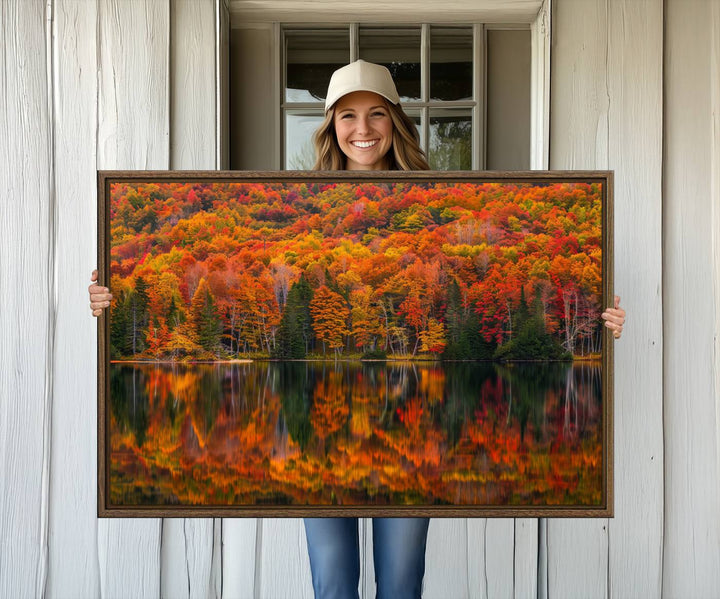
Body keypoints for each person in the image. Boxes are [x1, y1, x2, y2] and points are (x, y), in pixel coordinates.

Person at [88, 60, 627, 599]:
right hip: (318, 463)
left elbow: (534, 286)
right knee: (333, 584)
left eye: (376, 115)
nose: (363, 129)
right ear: (330, 126)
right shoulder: (302, 204)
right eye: (348, 116)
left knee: (400, 584)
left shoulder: (441, 196)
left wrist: (600, 324)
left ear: (395, 122)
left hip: (410, 469)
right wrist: (109, 298)